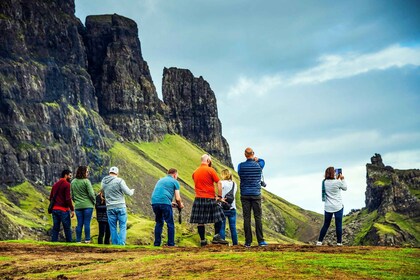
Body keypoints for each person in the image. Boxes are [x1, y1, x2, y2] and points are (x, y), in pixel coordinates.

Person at [190, 154, 228, 246]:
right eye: (210, 161)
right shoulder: (210, 170)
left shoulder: (195, 172)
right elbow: (219, 183)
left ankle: (203, 240)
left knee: (200, 221)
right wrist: (219, 196)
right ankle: (216, 236)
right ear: (208, 161)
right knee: (219, 217)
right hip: (209, 198)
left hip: (198, 199)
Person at [238, 147, 267, 247]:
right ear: (253, 154)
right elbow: (263, 161)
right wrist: (257, 159)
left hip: (245, 194)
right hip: (256, 194)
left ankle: (248, 242)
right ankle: (261, 241)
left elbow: (239, 174)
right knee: (258, 217)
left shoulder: (240, 166)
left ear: (245, 155)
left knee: (247, 218)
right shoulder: (259, 165)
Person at [101, 166, 134, 245]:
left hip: (109, 207)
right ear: (117, 173)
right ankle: (121, 243)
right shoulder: (119, 181)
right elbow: (128, 193)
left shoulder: (103, 182)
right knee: (122, 225)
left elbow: (103, 193)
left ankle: (115, 244)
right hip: (120, 206)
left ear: (109, 172)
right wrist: (132, 191)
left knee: (113, 227)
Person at [151, 168, 184, 247]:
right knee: (170, 223)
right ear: (175, 174)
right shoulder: (175, 182)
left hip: (154, 202)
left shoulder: (160, 180)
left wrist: (170, 203)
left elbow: (160, 193)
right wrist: (180, 205)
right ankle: (171, 244)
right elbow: (178, 198)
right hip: (165, 203)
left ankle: (157, 243)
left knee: (159, 222)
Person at [316, 166, 348, 246]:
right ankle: (339, 243)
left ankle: (319, 241)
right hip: (338, 206)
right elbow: (345, 188)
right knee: (338, 225)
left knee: (326, 225)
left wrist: (337, 179)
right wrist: (342, 179)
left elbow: (332, 183)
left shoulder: (324, 182)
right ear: (333, 173)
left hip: (328, 207)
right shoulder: (337, 182)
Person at [71, 166, 95, 243]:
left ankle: (78, 240)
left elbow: (72, 195)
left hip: (78, 206)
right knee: (87, 223)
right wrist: (94, 202)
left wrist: (76, 201)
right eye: (87, 172)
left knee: (79, 223)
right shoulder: (86, 181)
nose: (88, 173)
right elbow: (91, 194)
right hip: (88, 206)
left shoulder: (73, 182)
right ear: (83, 172)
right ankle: (87, 239)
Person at [49, 169, 74, 242]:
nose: (70, 177)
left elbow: (50, 198)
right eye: (70, 175)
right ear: (65, 175)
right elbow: (68, 198)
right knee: (67, 228)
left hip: (55, 209)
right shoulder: (67, 184)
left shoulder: (55, 185)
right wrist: (72, 209)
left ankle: (54, 243)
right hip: (63, 210)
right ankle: (69, 244)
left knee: (56, 228)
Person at [219, 169, 238, 245]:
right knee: (233, 227)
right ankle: (235, 244)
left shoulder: (221, 183)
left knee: (222, 227)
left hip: (223, 207)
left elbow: (219, 191)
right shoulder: (234, 184)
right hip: (232, 207)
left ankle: (223, 244)